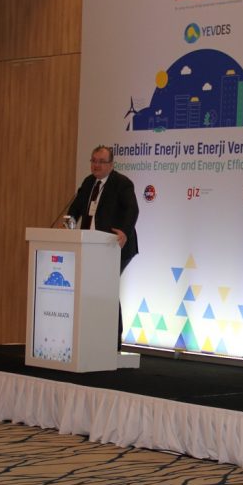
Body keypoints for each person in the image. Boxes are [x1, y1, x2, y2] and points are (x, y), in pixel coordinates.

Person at [68, 145, 139, 347]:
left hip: (115, 247)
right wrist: (68, 222)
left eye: (101, 162)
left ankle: (113, 342)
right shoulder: (88, 182)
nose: (96, 165)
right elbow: (75, 209)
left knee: (107, 288)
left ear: (111, 164)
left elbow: (132, 210)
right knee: (96, 289)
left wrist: (124, 231)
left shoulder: (122, 183)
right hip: (91, 247)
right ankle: (95, 336)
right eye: (94, 161)